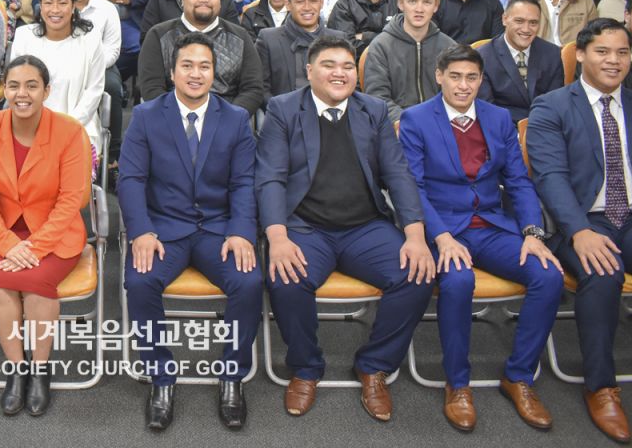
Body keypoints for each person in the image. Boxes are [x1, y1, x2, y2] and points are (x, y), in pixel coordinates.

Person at [256, 35, 436, 422]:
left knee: (417, 273)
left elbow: (398, 174)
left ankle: (374, 366)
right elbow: (270, 177)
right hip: (305, 226)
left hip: (364, 227)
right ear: (309, 71)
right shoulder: (283, 109)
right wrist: (277, 237)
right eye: (329, 65)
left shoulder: (373, 110)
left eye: (347, 67)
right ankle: (305, 368)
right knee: (286, 278)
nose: (339, 73)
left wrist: (415, 235)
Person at [399, 45, 563, 432]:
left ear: (481, 80)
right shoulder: (416, 119)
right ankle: (457, 383)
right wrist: (440, 237)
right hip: (444, 228)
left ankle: (519, 376)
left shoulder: (498, 117)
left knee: (548, 275)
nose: (463, 85)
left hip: (491, 225)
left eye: (471, 77)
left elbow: (518, 181)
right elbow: (412, 188)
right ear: (439, 77)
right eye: (455, 76)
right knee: (458, 281)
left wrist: (532, 232)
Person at [526, 18, 632, 443]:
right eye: (603, 52)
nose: (614, 61)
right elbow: (550, 177)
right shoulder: (551, 107)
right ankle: (601, 386)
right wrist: (578, 230)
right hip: (582, 219)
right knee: (604, 273)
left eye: (622, 53)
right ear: (581, 55)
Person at [120, 32, 262, 431]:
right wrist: (141, 232)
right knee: (140, 282)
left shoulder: (235, 118)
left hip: (218, 230)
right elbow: (130, 179)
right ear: (172, 72)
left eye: (204, 66)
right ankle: (161, 377)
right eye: (187, 65)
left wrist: (241, 232)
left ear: (214, 73)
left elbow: (244, 182)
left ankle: (232, 375)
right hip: (163, 230)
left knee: (249, 282)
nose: (196, 74)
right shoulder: (147, 115)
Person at [0, 55, 92, 417]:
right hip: (3, 230)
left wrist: (35, 247)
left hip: (56, 232)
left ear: (46, 91)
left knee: (37, 283)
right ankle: (16, 368)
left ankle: (39, 368)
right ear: (4, 90)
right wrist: (8, 243)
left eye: (31, 86)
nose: (21, 94)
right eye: (13, 86)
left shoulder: (70, 131)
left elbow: (71, 200)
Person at [138, 0, 266, 116]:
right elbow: (151, 88)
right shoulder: (157, 35)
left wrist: (229, 119)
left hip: (227, 119)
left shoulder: (240, 36)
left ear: (220, 0)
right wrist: (182, 118)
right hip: (171, 119)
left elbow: (253, 88)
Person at [9, 0, 106, 154]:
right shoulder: (24, 37)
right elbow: (17, 87)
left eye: (62, 3)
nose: (55, 10)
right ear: (40, 7)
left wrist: (64, 128)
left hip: (77, 126)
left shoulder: (91, 40)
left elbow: (94, 90)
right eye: (48, 3)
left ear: (73, 6)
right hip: (29, 127)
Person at [363, 0, 457, 123]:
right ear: (400, 4)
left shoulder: (449, 47)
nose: (419, 9)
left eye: (427, 2)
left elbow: (456, 94)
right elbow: (377, 98)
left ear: (436, 6)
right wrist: (409, 122)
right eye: (412, 1)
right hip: (397, 125)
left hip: (440, 123)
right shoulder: (381, 46)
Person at [64, 0, 124, 164]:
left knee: (113, 88)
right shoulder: (57, 5)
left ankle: (112, 156)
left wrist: (90, 67)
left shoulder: (107, 9)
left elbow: (113, 49)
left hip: (100, 65)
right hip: (62, 62)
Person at [476, 0, 565, 123]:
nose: (526, 29)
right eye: (519, 21)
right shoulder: (483, 57)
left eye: (533, 23)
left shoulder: (552, 53)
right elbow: (487, 108)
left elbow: (556, 102)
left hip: (545, 125)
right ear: (504, 19)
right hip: (503, 127)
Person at [256, 0, 345, 102]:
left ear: (321, 3)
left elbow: (347, 83)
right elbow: (260, 87)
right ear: (288, 5)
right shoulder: (268, 39)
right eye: (300, 2)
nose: (307, 7)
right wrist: (279, 109)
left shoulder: (339, 39)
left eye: (313, 1)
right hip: (283, 110)